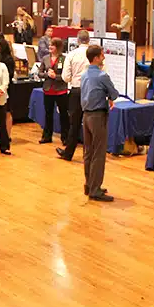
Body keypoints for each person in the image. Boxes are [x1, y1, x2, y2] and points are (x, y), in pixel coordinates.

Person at [81, 45, 118, 202]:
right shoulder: (102, 76)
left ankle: (89, 184)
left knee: (88, 152)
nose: (103, 58)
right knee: (98, 153)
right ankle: (95, 189)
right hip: (97, 117)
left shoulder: (84, 75)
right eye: (102, 55)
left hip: (86, 115)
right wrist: (109, 97)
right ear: (96, 57)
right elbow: (114, 94)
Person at [57, 30, 91, 161]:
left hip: (76, 90)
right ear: (89, 40)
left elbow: (65, 77)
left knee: (74, 123)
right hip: (92, 91)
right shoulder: (95, 53)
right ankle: (90, 153)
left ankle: (68, 153)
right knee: (91, 123)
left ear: (77, 40)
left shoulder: (71, 54)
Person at [39, 37, 69, 145]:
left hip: (61, 91)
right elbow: (40, 73)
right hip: (48, 90)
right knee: (48, 114)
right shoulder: (45, 58)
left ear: (58, 47)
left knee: (63, 115)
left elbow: (66, 76)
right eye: (50, 44)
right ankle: (47, 136)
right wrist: (47, 75)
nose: (50, 47)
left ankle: (65, 137)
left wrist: (55, 76)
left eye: (53, 45)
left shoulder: (64, 59)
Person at [0, 32, 17, 141]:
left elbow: (10, 75)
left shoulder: (8, 59)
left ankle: (7, 136)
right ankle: (2, 136)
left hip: (7, 88)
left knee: (7, 112)